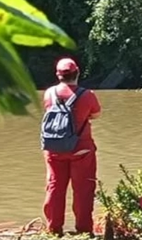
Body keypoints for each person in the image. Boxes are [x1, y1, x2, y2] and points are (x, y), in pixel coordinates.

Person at [42, 58, 102, 237]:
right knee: (83, 189)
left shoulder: (49, 93)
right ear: (78, 73)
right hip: (81, 149)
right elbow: (96, 114)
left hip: (54, 148)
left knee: (55, 187)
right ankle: (83, 229)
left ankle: (54, 229)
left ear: (58, 75)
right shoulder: (87, 95)